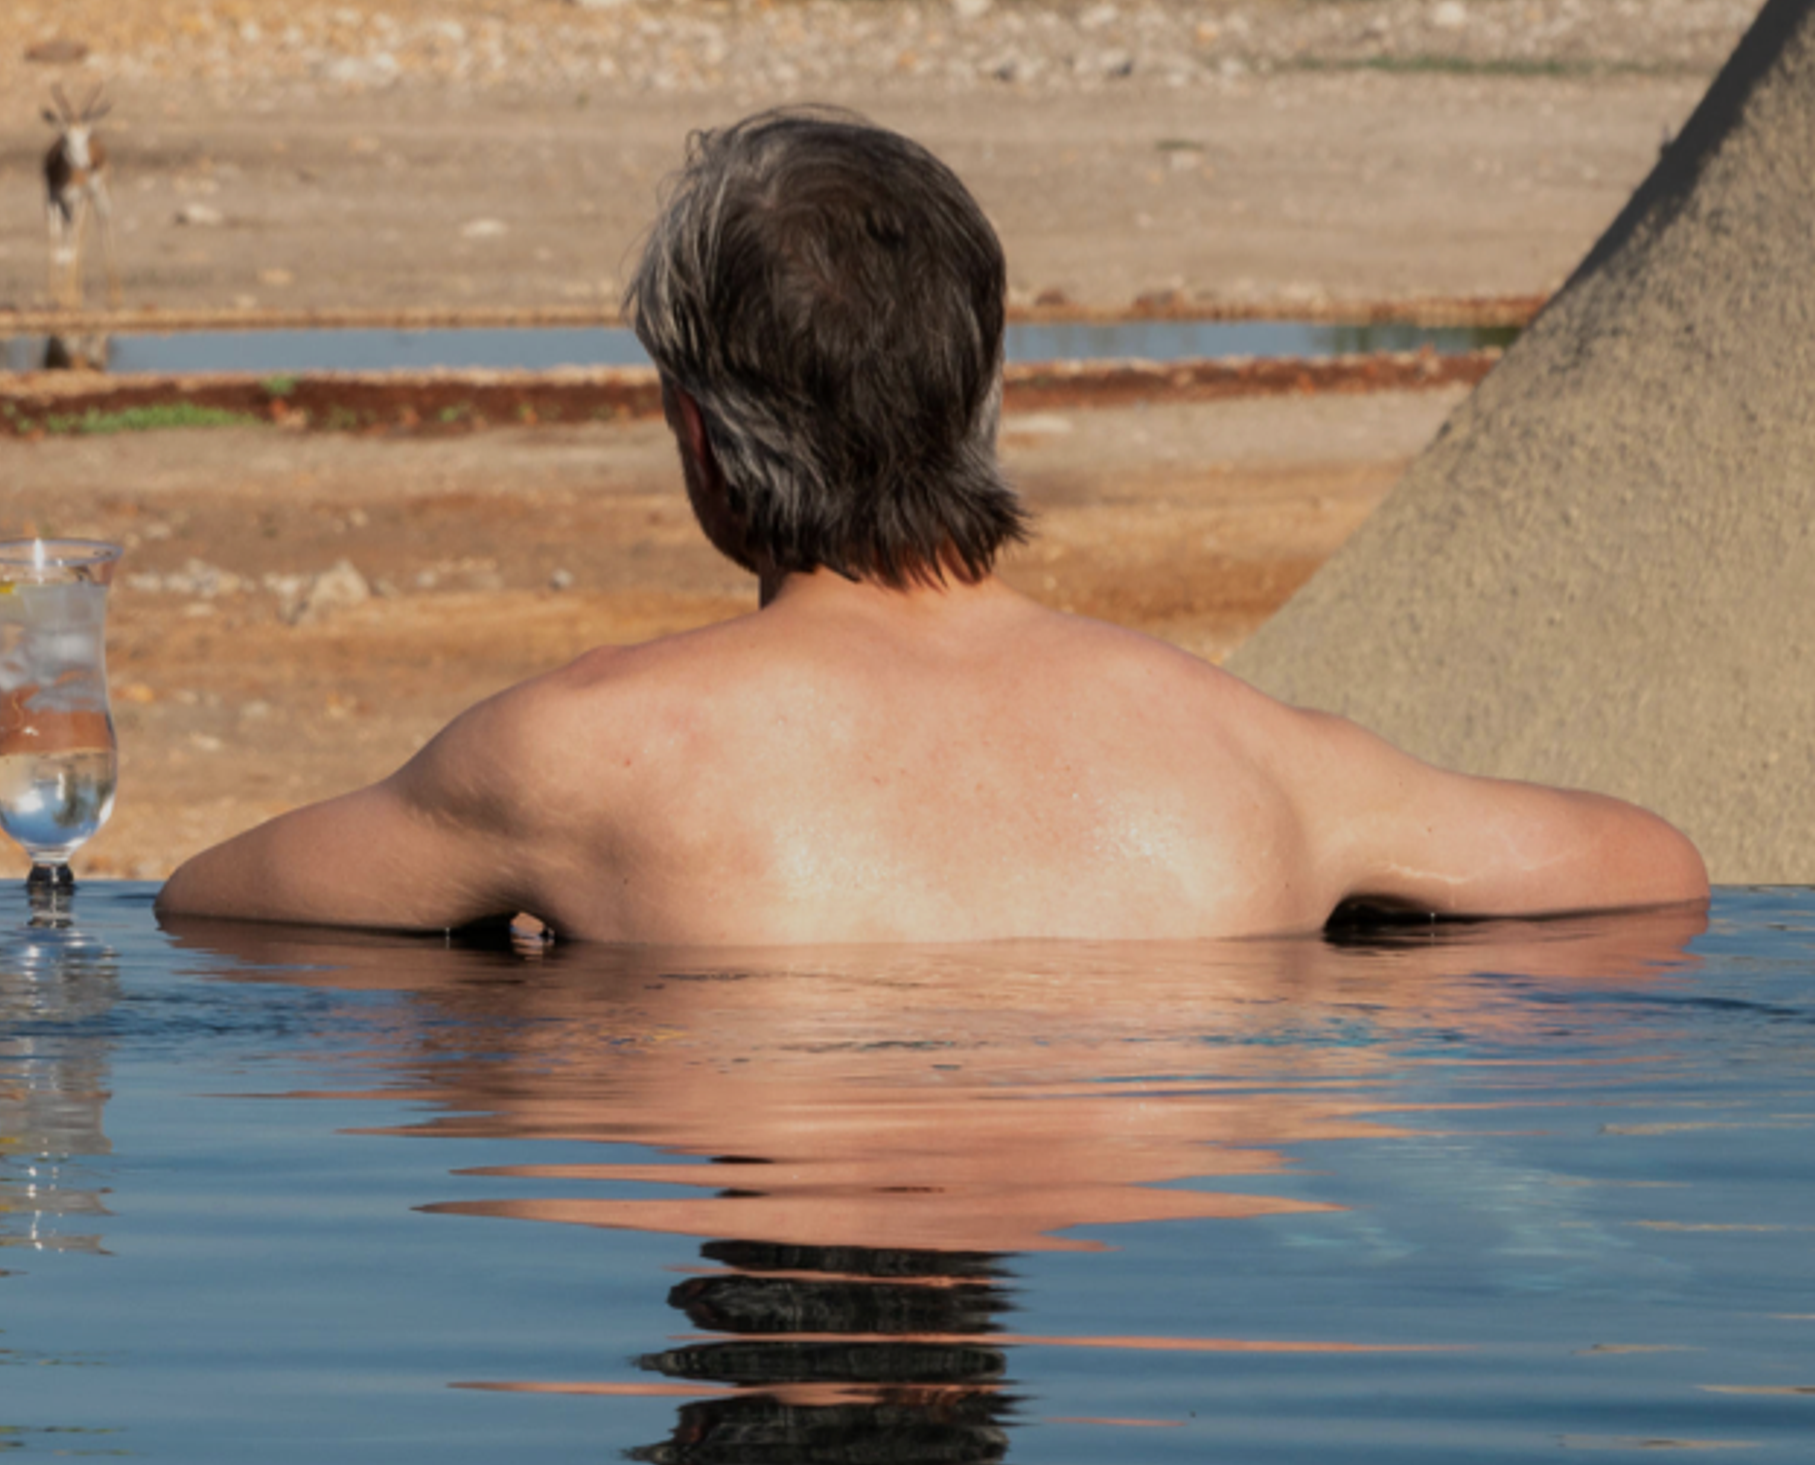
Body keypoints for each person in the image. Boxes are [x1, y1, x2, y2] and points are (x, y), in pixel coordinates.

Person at [157, 107, 1707, 943]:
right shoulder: (1255, 759)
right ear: (982, 394)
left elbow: (208, 908)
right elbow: (1656, 869)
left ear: (701, 444)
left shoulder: (581, 758)